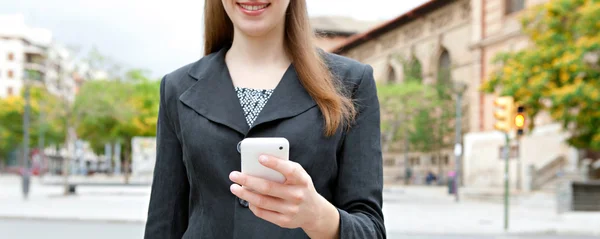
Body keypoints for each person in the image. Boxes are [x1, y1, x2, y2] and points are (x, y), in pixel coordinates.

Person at [143, 0, 385, 238]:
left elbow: (371, 230)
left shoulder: (351, 82)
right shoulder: (177, 87)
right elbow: (163, 224)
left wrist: (318, 217)